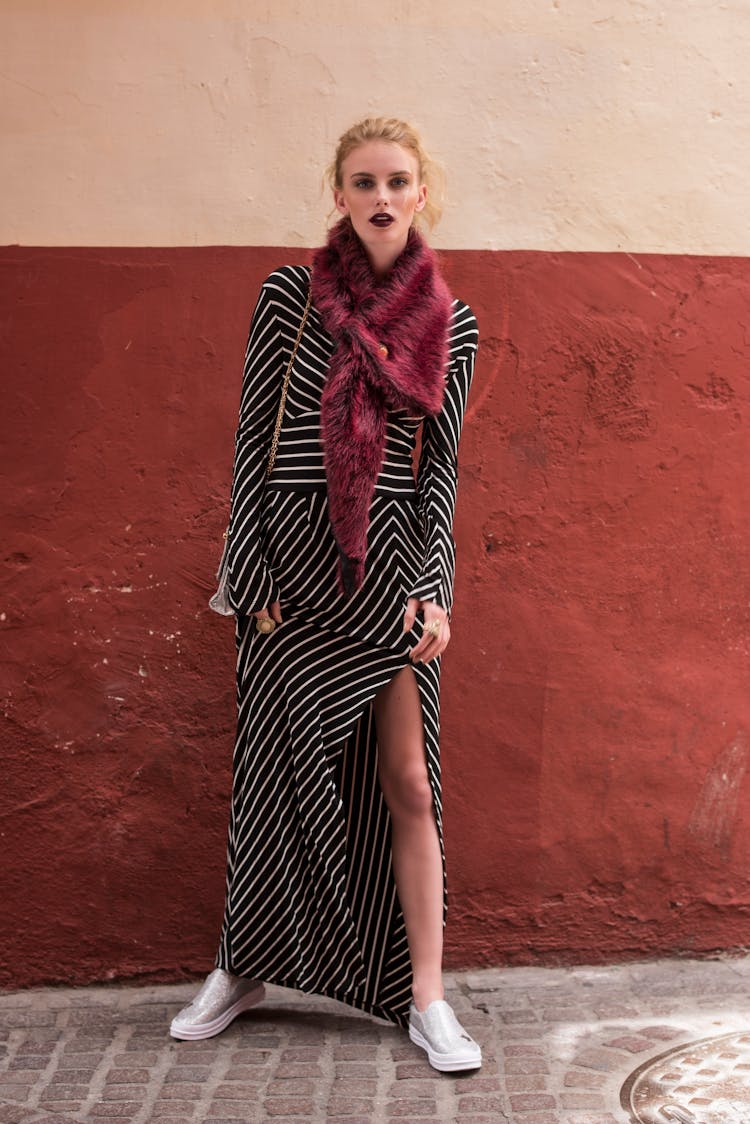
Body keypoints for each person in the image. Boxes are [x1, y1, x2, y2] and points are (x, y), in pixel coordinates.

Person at [169, 116, 481, 1073]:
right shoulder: (286, 296)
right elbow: (251, 443)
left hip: (387, 573)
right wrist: (250, 574)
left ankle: (426, 997)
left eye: (396, 181)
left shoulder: (450, 325)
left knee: (409, 786)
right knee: (266, 778)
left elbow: (440, 473)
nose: (380, 198)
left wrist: (434, 589)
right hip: (289, 570)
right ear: (337, 194)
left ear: (421, 191)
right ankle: (243, 965)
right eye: (361, 182)